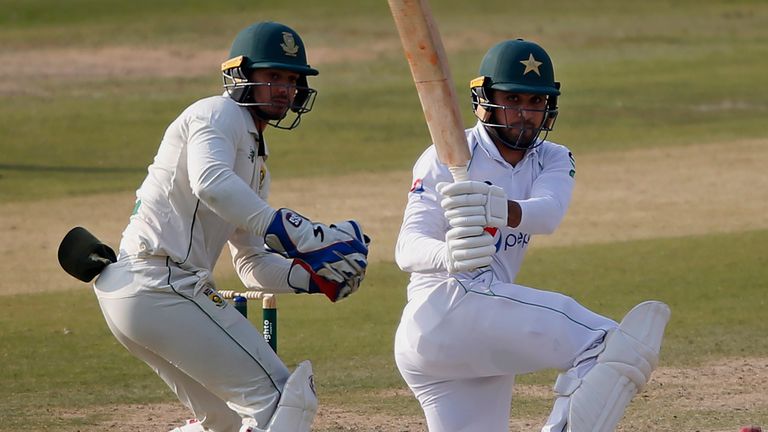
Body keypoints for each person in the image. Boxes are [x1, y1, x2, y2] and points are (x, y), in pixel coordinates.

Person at [89, 21, 370, 432]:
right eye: (272, 76)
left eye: (292, 79)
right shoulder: (216, 112)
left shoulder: (256, 157)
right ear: (241, 75)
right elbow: (210, 182)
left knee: (219, 420)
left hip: (142, 295)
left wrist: (312, 278)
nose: (284, 89)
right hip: (160, 283)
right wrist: (292, 229)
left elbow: (251, 262)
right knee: (281, 401)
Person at [393, 38, 670, 432]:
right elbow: (407, 248)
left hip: (479, 334)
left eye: (536, 103)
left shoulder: (553, 157)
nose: (525, 113)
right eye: (514, 99)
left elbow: (549, 213)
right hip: (443, 309)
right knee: (606, 343)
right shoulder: (444, 156)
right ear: (484, 100)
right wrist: (449, 255)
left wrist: (496, 208)